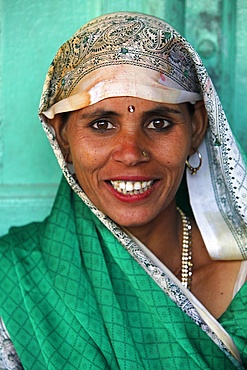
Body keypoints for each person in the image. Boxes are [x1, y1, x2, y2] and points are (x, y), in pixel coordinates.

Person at [0, 11, 246, 370]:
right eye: (102, 124)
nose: (131, 153)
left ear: (195, 129)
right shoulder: (16, 284)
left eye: (159, 123)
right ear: (62, 137)